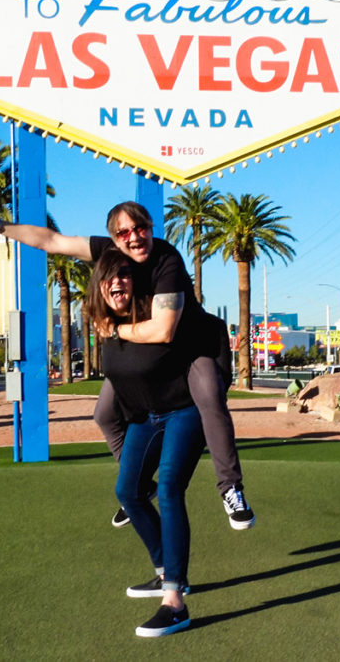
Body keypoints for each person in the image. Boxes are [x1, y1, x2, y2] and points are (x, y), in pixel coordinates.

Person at [0, 195, 255, 530]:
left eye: (140, 228)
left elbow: (165, 330)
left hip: (192, 347)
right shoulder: (108, 254)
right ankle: (140, 484)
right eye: (124, 232)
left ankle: (231, 488)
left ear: (151, 229)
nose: (134, 237)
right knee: (104, 413)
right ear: (114, 239)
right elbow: (52, 241)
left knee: (210, 397)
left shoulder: (166, 259)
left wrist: (113, 329)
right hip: (150, 354)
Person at [86, 249, 203, 637]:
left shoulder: (152, 314)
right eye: (108, 277)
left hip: (185, 411)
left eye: (124, 274)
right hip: (146, 418)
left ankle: (175, 601)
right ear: (98, 288)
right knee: (129, 491)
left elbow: (168, 329)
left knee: (168, 489)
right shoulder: (102, 328)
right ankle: (163, 570)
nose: (117, 281)